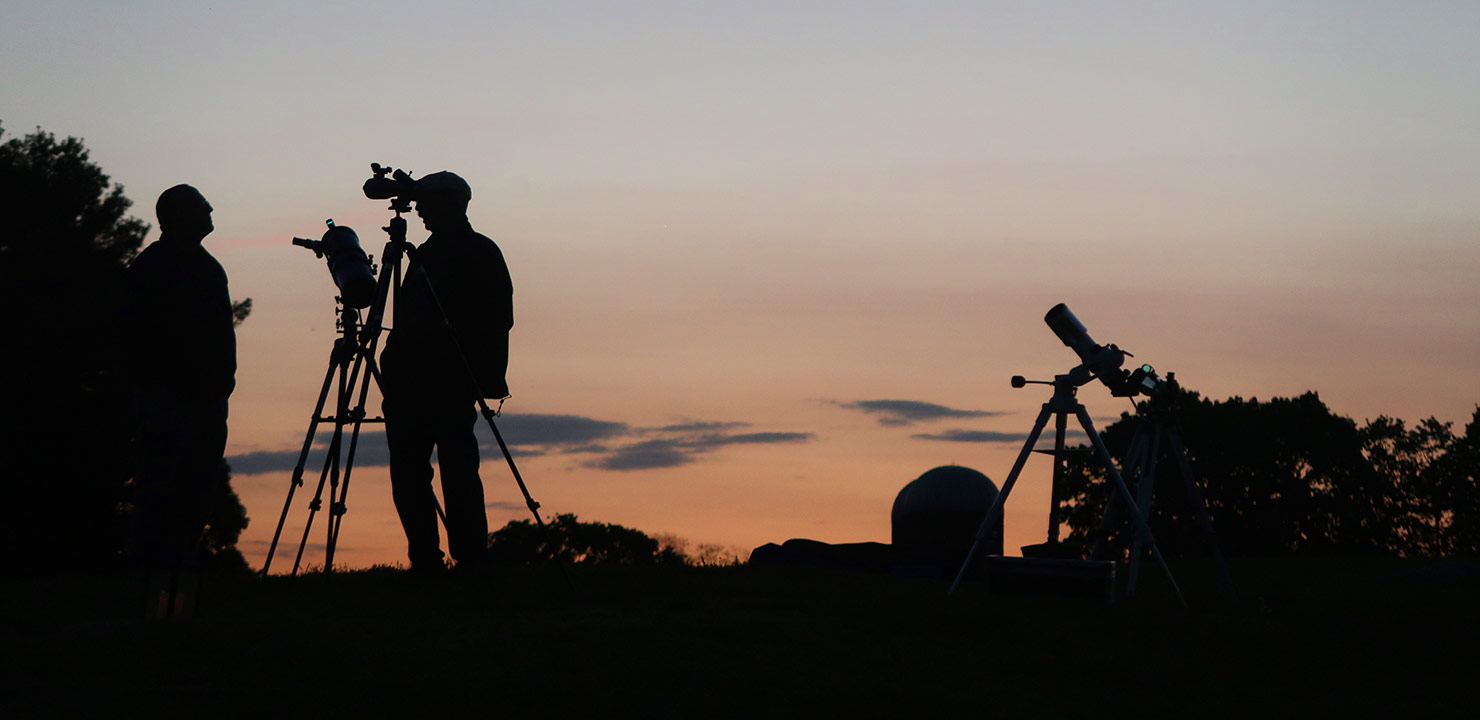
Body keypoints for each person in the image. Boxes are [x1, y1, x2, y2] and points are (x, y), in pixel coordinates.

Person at [380, 171, 513, 573]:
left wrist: (477, 369)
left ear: (454, 203)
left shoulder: (478, 251)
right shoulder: (425, 253)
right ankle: (425, 559)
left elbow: (496, 319)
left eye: (428, 202)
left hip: (451, 378)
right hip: (408, 381)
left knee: (457, 473)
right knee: (408, 472)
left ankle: (470, 558)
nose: (419, 209)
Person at [121, 184, 236, 614]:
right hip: (170, 399)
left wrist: (223, 383)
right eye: (202, 206)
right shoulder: (154, 269)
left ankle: (179, 592)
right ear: (182, 216)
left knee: (195, 490)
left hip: (204, 398)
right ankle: (153, 591)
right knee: (164, 490)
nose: (210, 211)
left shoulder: (205, 267)